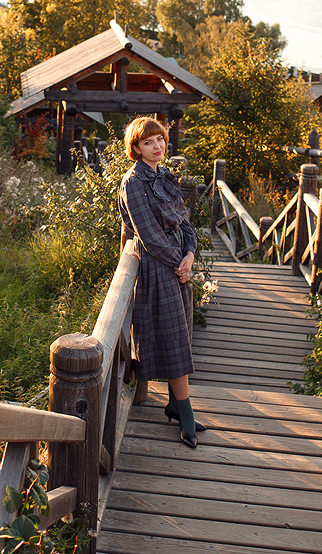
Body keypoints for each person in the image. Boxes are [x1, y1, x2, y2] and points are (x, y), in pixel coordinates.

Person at [118, 116, 207, 448]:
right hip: (157, 268)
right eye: (148, 142)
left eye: (160, 140)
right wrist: (177, 262)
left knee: (180, 336)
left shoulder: (165, 175)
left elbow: (184, 223)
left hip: (177, 266)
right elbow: (149, 235)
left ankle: (174, 405)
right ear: (136, 148)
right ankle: (185, 415)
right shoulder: (133, 182)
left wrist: (190, 255)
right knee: (173, 341)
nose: (157, 146)